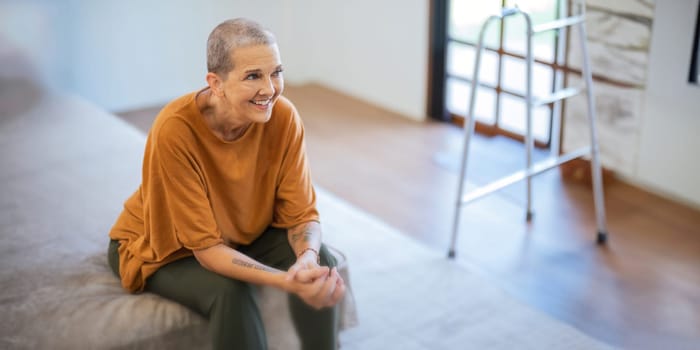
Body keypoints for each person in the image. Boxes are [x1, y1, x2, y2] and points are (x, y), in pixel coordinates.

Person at [107, 18, 345, 350]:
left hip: (238, 234)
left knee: (323, 262)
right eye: (253, 76)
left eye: (276, 72)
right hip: (166, 249)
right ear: (215, 83)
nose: (270, 88)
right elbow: (206, 250)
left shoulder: (284, 116)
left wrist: (305, 259)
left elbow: (302, 214)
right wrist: (286, 281)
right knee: (231, 292)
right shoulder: (175, 130)